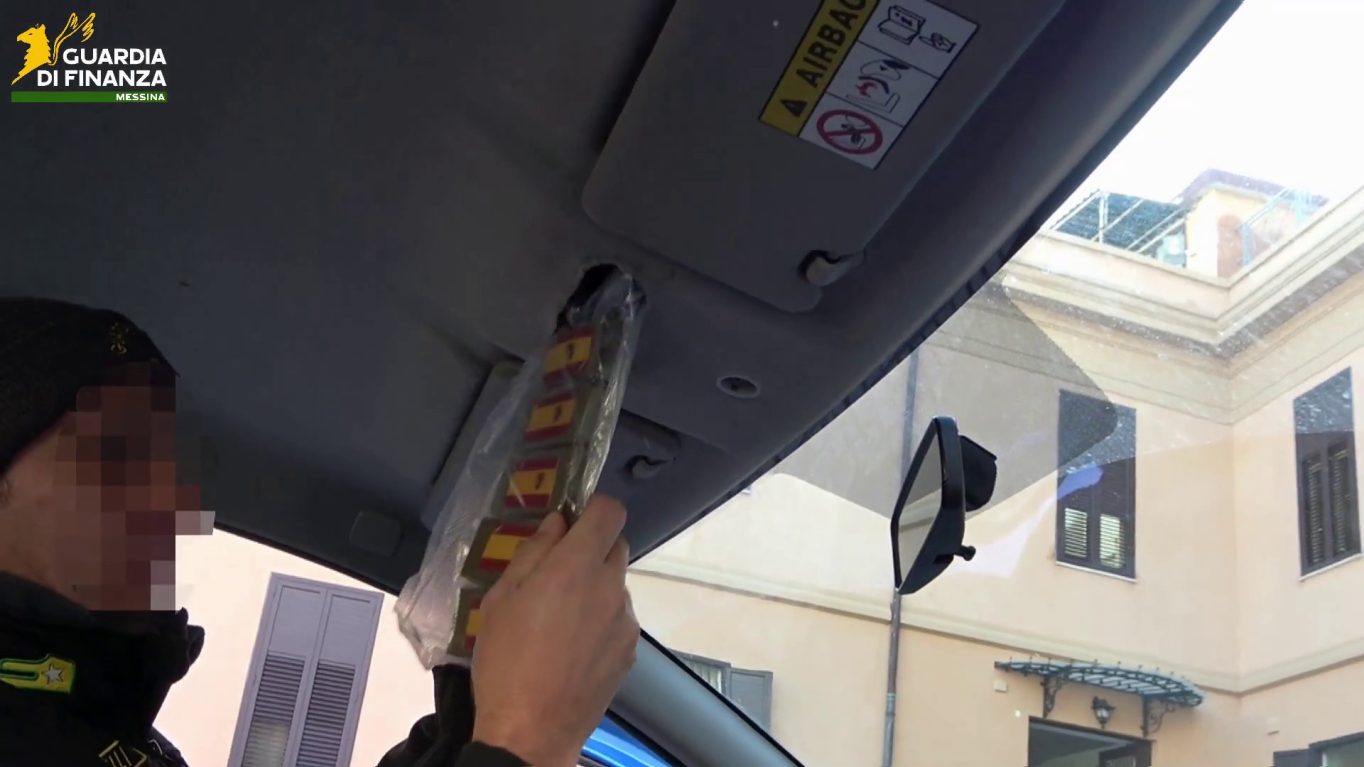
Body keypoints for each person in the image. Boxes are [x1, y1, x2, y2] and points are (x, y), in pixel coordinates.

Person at [0, 297, 640, 767]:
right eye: (112, 455)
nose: (171, 500)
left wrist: (469, 721)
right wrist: (524, 739)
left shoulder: (96, 721)